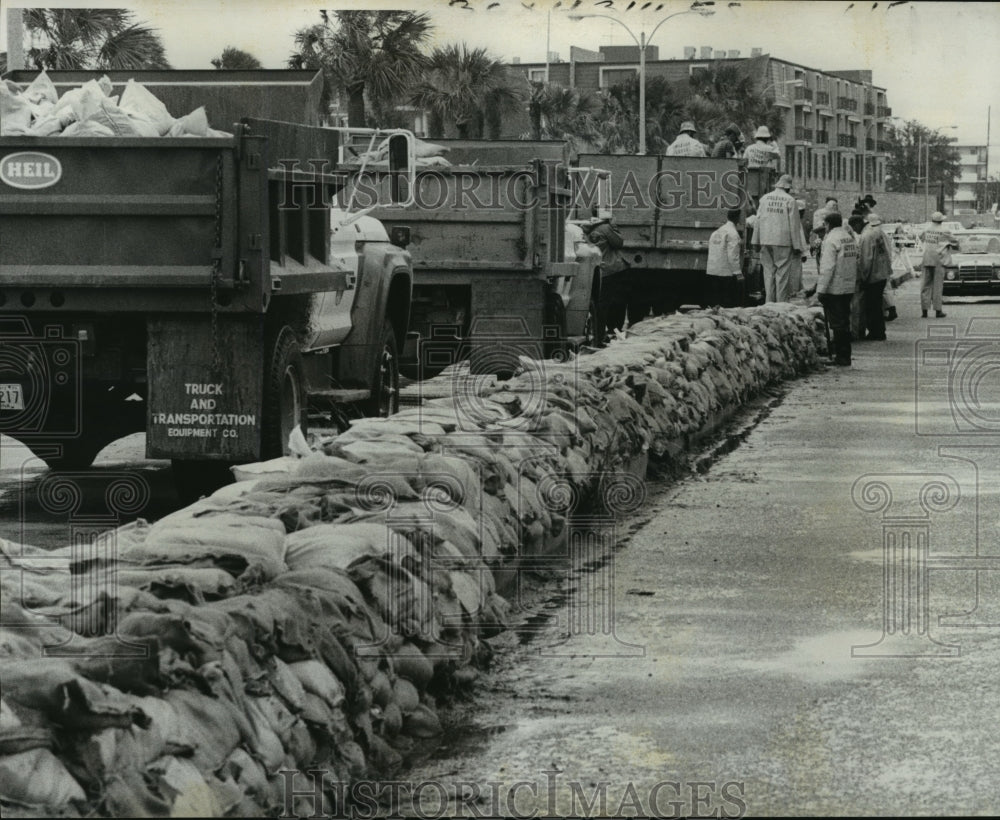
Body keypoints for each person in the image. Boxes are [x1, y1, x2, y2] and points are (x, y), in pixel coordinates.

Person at [752, 173, 803, 303]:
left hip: (765, 239)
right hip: (783, 241)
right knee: (782, 275)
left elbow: (758, 220)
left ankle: (769, 302)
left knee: (768, 273)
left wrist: (755, 241)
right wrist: (797, 246)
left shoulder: (764, 199)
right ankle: (780, 304)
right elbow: (794, 224)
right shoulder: (790, 200)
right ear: (788, 187)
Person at [817, 212, 859, 366]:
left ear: (828, 224)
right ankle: (845, 354)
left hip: (835, 287)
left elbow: (827, 267)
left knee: (837, 323)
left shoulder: (831, 240)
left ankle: (841, 356)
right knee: (844, 321)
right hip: (848, 285)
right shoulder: (848, 237)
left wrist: (821, 290)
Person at [583, 215, 628, 332]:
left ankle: (598, 332)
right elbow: (619, 243)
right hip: (610, 269)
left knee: (598, 303)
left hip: (595, 270)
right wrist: (614, 228)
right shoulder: (605, 228)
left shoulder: (586, 228)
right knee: (611, 302)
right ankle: (610, 330)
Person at [857, 213, 892, 341]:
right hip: (882, 273)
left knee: (871, 306)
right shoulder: (882, 233)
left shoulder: (867, 235)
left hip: (872, 275)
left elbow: (866, 258)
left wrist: (863, 276)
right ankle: (880, 331)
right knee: (877, 305)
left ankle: (875, 332)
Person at [919, 211, 959, 318]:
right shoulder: (944, 230)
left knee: (925, 285)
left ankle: (924, 310)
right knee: (938, 286)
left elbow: (921, 238)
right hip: (939, 260)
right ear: (941, 220)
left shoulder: (926, 229)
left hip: (927, 258)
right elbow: (955, 241)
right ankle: (938, 310)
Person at [705, 209, 744, 308]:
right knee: (726, 305)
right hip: (725, 273)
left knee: (714, 304)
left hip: (712, 271)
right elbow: (733, 255)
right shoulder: (733, 234)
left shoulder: (717, 231)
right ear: (737, 218)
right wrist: (738, 273)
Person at [787, 199, 809, 296]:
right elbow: (797, 237)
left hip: (797, 253)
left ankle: (794, 291)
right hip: (793, 252)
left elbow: (802, 238)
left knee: (796, 273)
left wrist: (804, 252)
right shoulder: (793, 221)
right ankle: (791, 291)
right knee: (793, 273)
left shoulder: (797, 221)